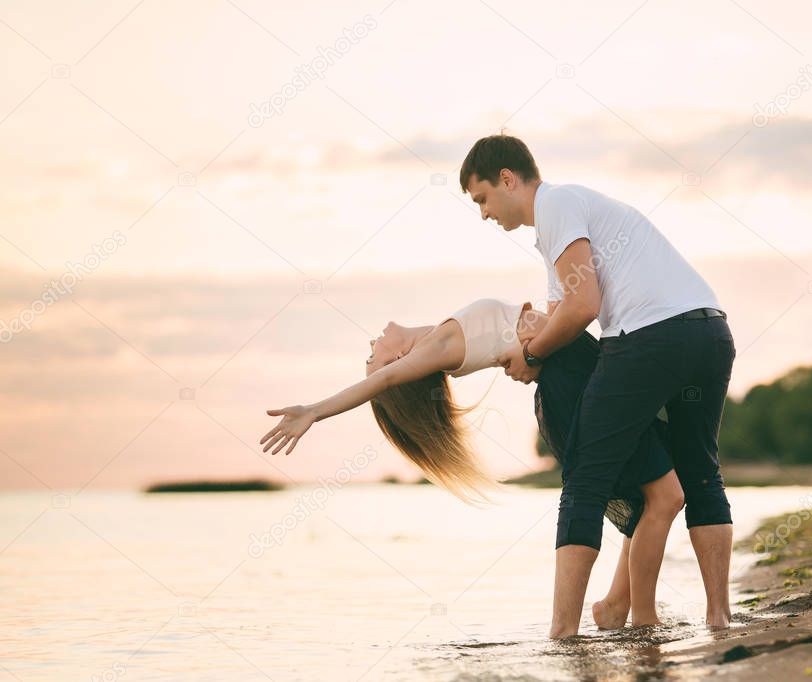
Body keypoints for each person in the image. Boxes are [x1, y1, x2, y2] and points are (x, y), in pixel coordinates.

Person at [259, 297, 684, 632]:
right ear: (396, 366)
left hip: (575, 363)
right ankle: (622, 620)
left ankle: (617, 607)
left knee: (660, 495)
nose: (370, 349)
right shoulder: (437, 348)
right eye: (372, 360)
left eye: (368, 359)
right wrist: (315, 410)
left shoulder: (439, 334)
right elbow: (382, 382)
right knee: (664, 494)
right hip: (570, 378)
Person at [460, 134, 736, 638]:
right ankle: (719, 618)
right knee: (700, 473)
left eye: (481, 199)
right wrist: (527, 345)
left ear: (507, 179)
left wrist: (531, 353)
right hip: (710, 331)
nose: (483, 214)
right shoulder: (564, 226)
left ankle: (562, 633)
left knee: (585, 476)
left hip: (651, 337)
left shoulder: (558, 203)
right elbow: (555, 317)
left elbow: (583, 306)